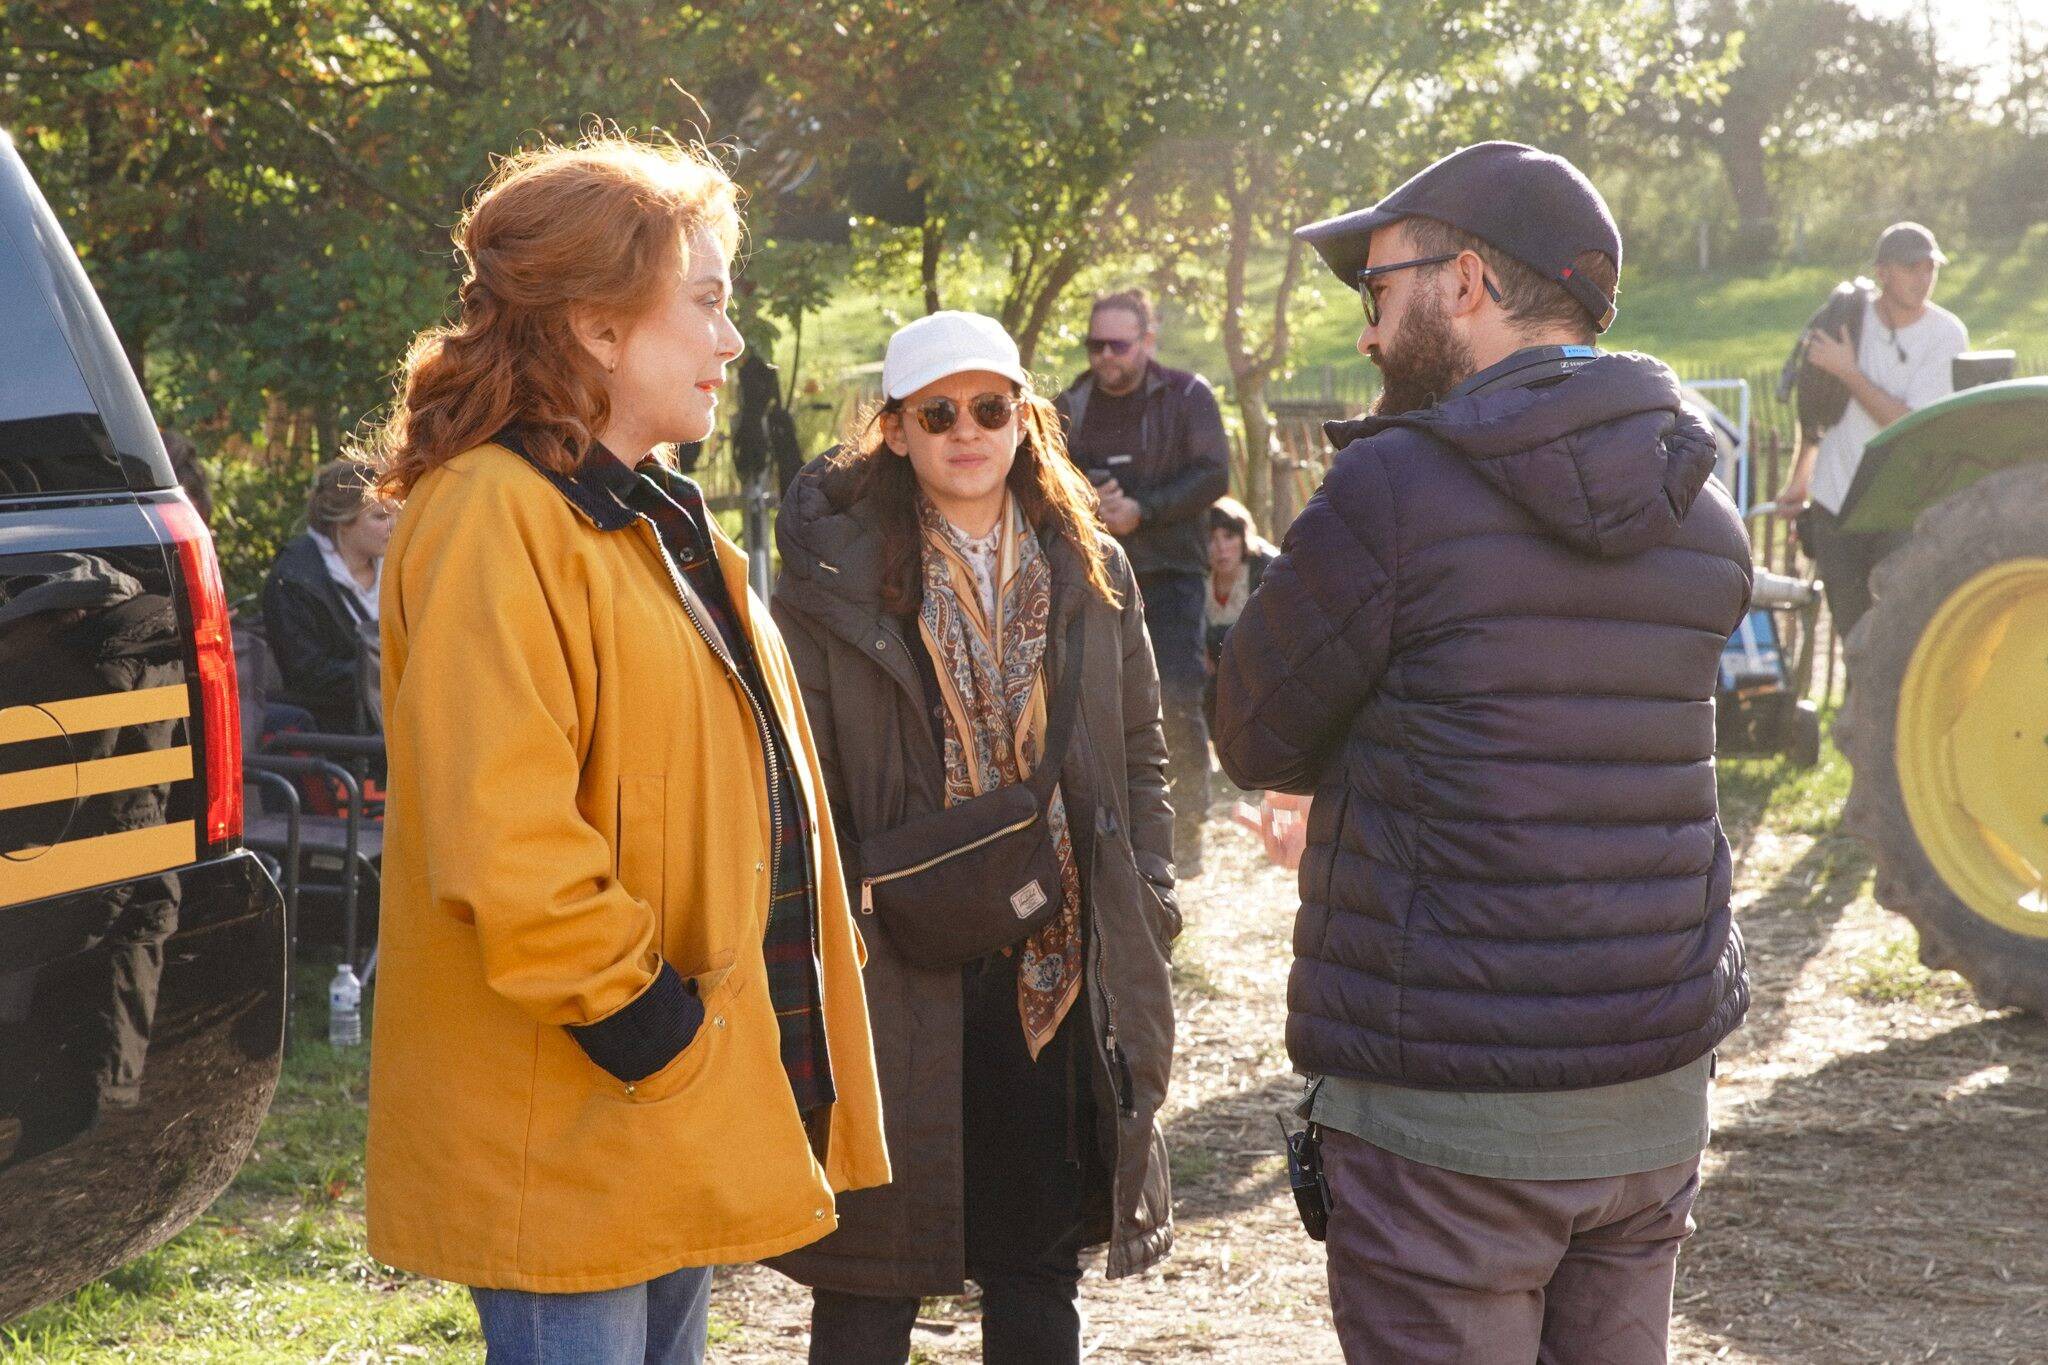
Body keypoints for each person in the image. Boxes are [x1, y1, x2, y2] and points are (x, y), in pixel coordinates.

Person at [1215, 142, 1753, 1364]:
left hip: (1447, 1123)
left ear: (1462, 282)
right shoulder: (1700, 508)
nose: (1367, 332)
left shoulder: (1394, 490)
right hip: (1649, 1096)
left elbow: (1252, 728)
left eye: (1376, 290)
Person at [361, 133, 888, 1365]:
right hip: (583, 1113)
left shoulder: (637, 513)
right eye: (705, 301)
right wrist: (654, 1033)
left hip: (655, 1106)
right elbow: (506, 840)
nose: (730, 340)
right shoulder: (492, 516)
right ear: (597, 327)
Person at [770, 310, 1177, 1364]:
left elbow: (1140, 749)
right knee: (871, 1276)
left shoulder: (1090, 566)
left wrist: (1153, 892)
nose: (966, 431)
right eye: (937, 412)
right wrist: (839, 922)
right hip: (894, 965)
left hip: (1055, 963)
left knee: (1035, 1268)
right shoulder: (832, 579)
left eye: (990, 408)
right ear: (894, 429)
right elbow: (799, 774)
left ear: (1024, 420)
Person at [1055, 289, 1229, 876]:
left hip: (1171, 572)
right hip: (1094, 575)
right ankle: (1111, 830)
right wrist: (1088, 500)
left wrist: (1143, 509)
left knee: (1176, 696)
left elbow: (1214, 474)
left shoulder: (1188, 394)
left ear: (1148, 341)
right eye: (1095, 344)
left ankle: (1188, 831)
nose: (1106, 356)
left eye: (1119, 345)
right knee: (1094, 700)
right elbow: (1041, 475)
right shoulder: (1070, 403)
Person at [1774, 221, 1968, 646]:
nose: (1923, 278)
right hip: (1836, 504)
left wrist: (1849, 372)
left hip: (1901, 509)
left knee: (1901, 638)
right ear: (1883, 272)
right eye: (1911, 267)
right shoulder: (1848, 318)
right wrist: (1800, 481)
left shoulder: (1946, 334)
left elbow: (1911, 426)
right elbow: (1816, 409)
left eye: (1930, 268)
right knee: (1853, 640)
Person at [260, 460, 394, 735]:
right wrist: (384, 673)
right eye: (380, 517)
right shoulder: (294, 578)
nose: (393, 525)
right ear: (343, 522)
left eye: (395, 513)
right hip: (335, 731)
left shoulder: (397, 564)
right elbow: (306, 673)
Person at [1200, 496, 1278, 733]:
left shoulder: (1266, 571)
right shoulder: (1196, 577)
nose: (1221, 548)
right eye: (1212, 539)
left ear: (1243, 538)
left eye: (1229, 536)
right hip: (1213, 676)